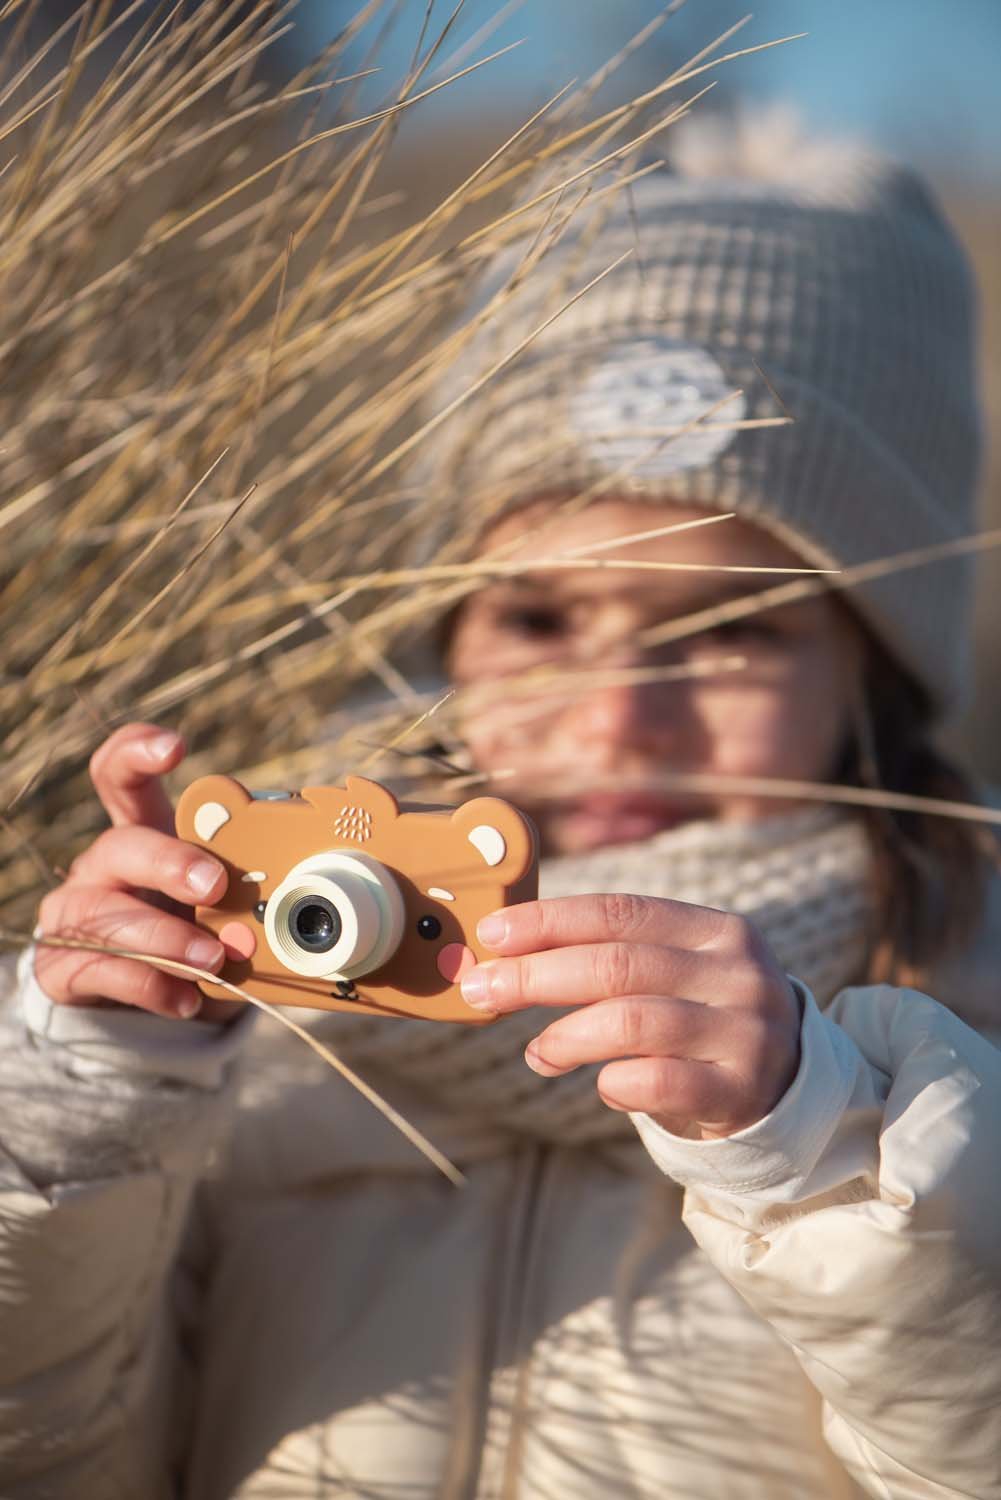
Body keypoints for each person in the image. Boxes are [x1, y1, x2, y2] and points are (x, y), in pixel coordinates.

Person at [2, 124, 1000, 1500]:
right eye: (536, 617)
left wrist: (818, 1148)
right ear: (446, 636)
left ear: (876, 673)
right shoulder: (264, 1014)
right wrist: (79, 1108)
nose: (615, 717)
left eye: (730, 630)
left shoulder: (955, 1054)